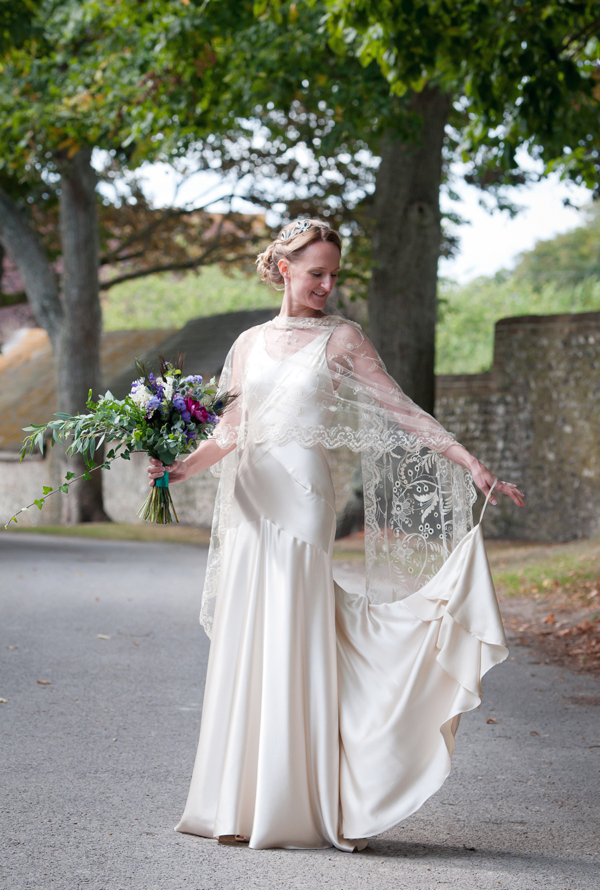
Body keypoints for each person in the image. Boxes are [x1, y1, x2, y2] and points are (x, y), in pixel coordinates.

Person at [147, 219, 525, 852]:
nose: (326, 285)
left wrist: (469, 462)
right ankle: (238, 804)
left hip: (303, 500)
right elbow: (229, 433)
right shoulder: (246, 344)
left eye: (333, 275)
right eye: (316, 272)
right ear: (285, 269)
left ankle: (300, 803)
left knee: (296, 631)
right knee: (252, 636)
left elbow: (402, 410)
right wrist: (180, 468)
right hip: (250, 499)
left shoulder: (343, 339)